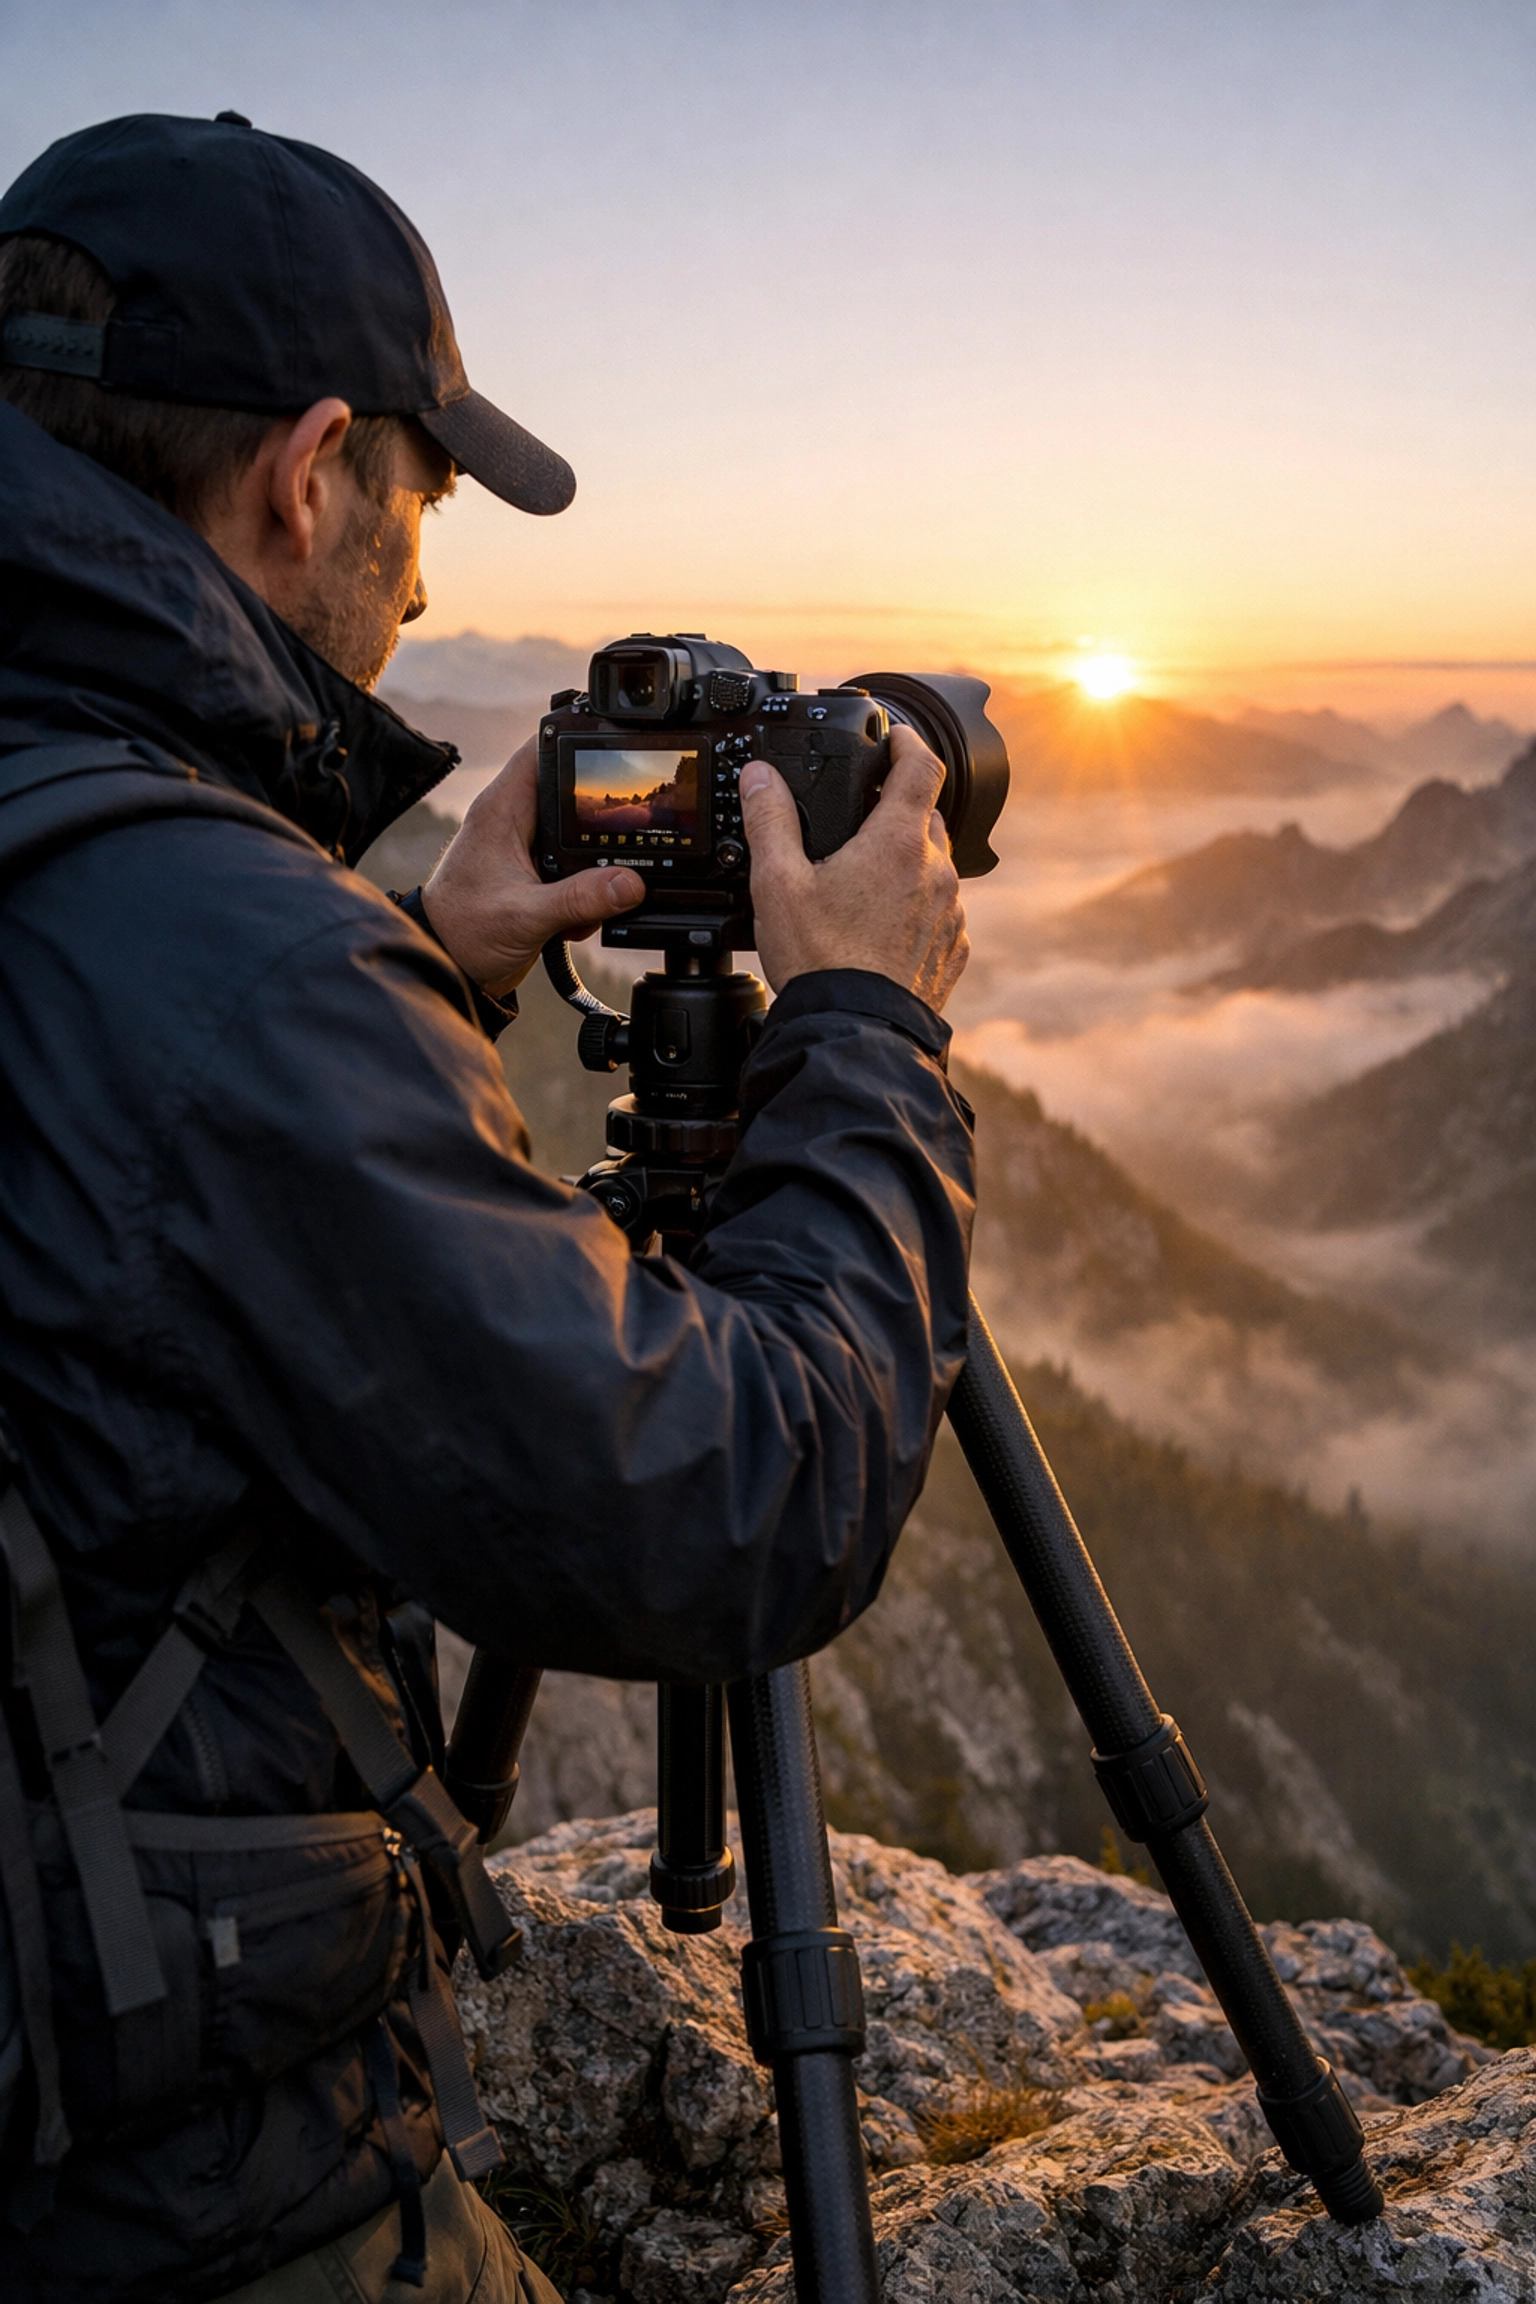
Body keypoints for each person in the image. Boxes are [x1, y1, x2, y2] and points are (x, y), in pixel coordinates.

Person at [0, 113, 974, 2304]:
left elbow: (119, 1222)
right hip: (165, 2191)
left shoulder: (84, 848)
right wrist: (869, 1035)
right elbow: (730, 1506)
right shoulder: (234, 967)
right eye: (424, 499)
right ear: (312, 468)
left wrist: (423, 968)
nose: (425, 582)